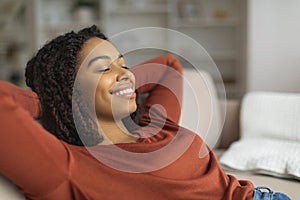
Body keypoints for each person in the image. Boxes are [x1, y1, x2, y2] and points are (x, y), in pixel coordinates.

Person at [0, 25, 291, 200]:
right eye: (103, 68)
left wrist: (119, 82)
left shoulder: (155, 126)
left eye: (123, 64)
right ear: (68, 91)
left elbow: (167, 67)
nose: (124, 73)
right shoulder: (70, 167)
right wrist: (48, 101)